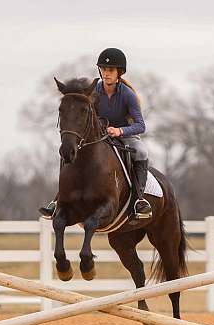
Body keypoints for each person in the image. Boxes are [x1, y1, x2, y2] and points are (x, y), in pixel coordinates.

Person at [39, 47, 152, 219]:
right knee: (67, 150)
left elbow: (140, 125)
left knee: (142, 152)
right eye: (103, 69)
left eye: (110, 70)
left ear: (119, 72)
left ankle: (139, 200)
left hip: (125, 135)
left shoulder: (127, 94)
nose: (106, 73)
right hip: (100, 135)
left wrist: (119, 130)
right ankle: (58, 200)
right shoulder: (94, 91)